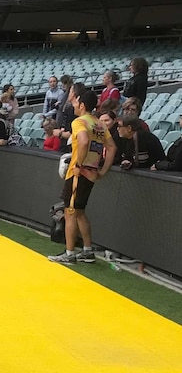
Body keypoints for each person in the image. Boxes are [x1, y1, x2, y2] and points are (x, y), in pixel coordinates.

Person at [48, 89, 115, 265]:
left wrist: (78, 164)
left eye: (76, 102)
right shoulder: (100, 124)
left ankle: (69, 254)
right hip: (92, 173)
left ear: (82, 105)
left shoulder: (79, 122)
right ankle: (87, 251)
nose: (74, 105)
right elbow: (112, 148)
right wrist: (103, 170)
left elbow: (84, 141)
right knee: (79, 212)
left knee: (70, 212)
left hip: (78, 173)